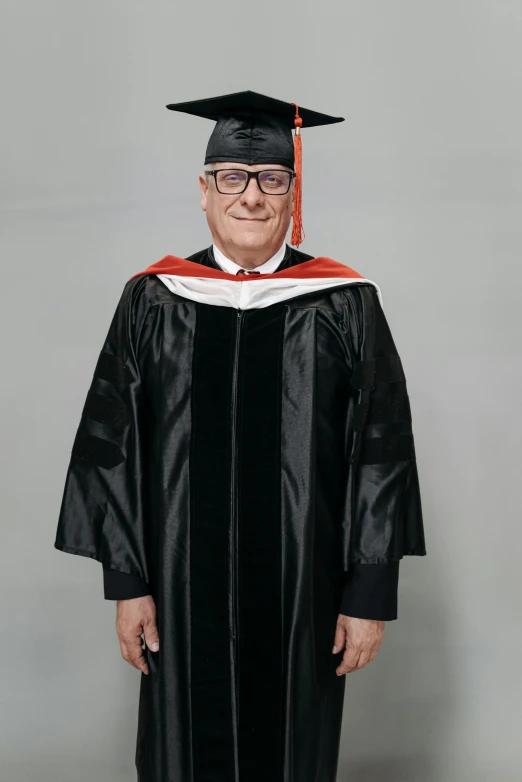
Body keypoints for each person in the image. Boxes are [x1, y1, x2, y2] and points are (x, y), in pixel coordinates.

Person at [54, 90, 426, 782]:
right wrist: (127, 583)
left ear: (291, 192)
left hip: (303, 592)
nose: (250, 196)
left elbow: (381, 450)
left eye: (271, 180)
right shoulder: (154, 299)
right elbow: (113, 445)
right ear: (204, 192)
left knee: (291, 751)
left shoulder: (344, 303)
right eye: (232, 177)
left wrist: (367, 595)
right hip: (175, 588)